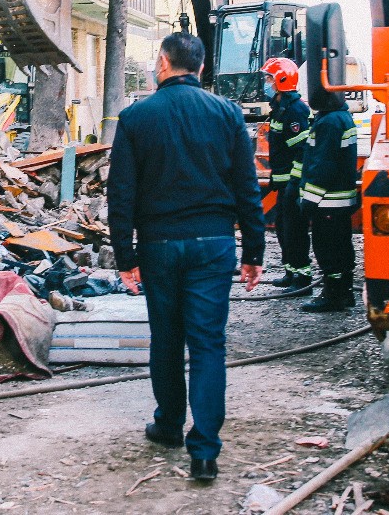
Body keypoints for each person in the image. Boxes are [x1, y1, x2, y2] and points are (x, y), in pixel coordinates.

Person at [108, 32, 265, 483]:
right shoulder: (227, 114)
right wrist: (252, 251)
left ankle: (169, 425)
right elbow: (246, 189)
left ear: (163, 62)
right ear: (198, 67)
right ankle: (205, 452)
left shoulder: (136, 118)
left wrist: (125, 255)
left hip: (159, 246)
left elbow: (122, 194)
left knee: (167, 338)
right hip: (214, 245)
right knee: (208, 343)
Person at [298, 85, 360, 312]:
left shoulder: (328, 123)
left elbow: (322, 165)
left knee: (327, 248)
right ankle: (345, 292)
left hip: (327, 202)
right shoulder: (342, 118)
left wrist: (309, 201)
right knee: (342, 246)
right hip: (340, 201)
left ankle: (333, 295)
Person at [262, 57, 313, 291]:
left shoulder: (294, 111)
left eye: (269, 78)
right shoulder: (280, 108)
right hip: (284, 183)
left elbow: (302, 151)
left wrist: (295, 182)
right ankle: (291, 271)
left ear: (281, 79)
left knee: (294, 230)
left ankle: (303, 278)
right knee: (284, 229)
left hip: (294, 183)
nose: (266, 82)